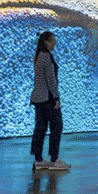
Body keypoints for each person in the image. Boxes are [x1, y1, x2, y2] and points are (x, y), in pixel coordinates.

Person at [30, 31, 70, 171]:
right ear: (47, 42)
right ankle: (54, 159)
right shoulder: (46, 56)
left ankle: (39, 159)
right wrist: (56, 98)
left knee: (40, 128)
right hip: (47, 99)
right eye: (53, 40)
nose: (55, 43)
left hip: (38, 98)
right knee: (56, 127)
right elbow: (51, 80)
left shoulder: (38, 56)